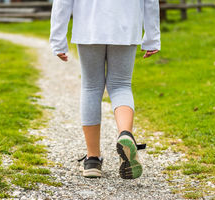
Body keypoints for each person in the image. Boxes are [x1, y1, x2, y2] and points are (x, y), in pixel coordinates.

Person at [50, 0, 160, 179]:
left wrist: (57, 38)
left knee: (91, 87)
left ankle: (92, 159)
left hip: (89, 25)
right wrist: (152, 36)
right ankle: (125, 134)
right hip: (125, 25)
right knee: (121, 85)